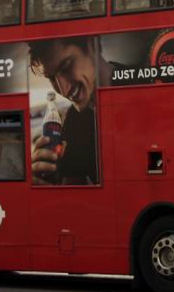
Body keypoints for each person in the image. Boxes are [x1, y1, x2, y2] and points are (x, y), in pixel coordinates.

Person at [29, 37, 121, 186]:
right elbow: (72, 191)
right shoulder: (74, 119)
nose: (63, 90)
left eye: (66, 67)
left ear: (92, 45)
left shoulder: (141, 87)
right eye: (52, 78)